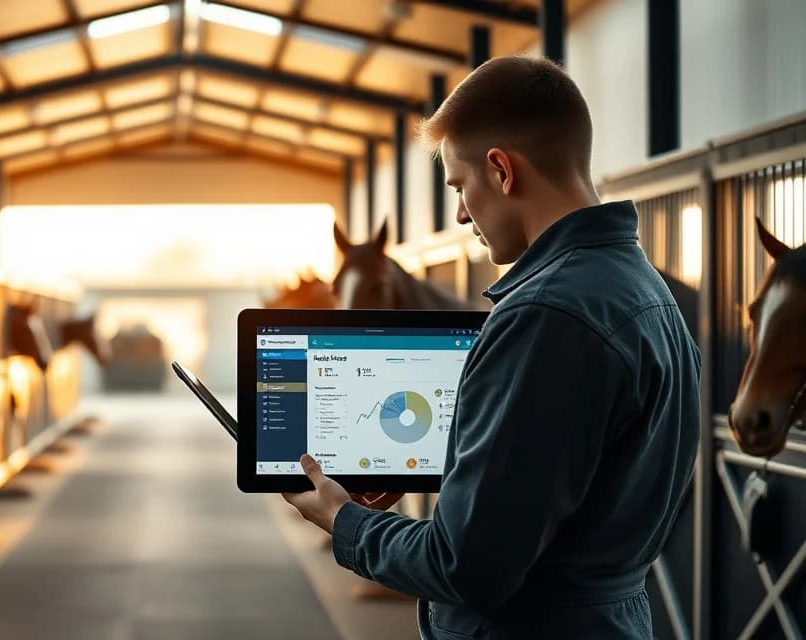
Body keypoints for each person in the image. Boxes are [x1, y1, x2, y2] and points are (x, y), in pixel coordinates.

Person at [282, 56, 700, 638]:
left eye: (459, 184)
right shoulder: (644, 290)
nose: (459, 212)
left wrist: (344, 520)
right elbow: (570, 485)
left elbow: (466, 565)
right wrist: (445, 467)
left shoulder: (545, 315)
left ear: (501, 170)